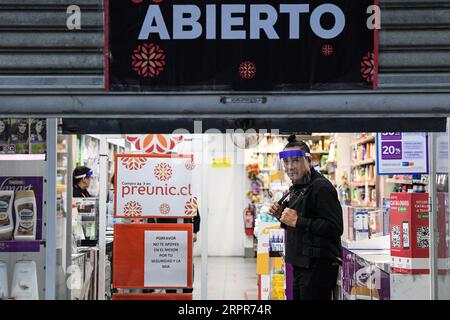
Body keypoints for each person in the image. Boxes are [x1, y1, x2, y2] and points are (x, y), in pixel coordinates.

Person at [268, 135, 343, 300]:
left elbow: (335, 228)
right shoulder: (297, 187)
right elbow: (298, 224)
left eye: (295, 161)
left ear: (308, 161)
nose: (290, 167)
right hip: (301, 264)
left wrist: (298, 221)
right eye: (286, 162)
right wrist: (282, 216)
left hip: (318, 268)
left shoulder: (321, 187)